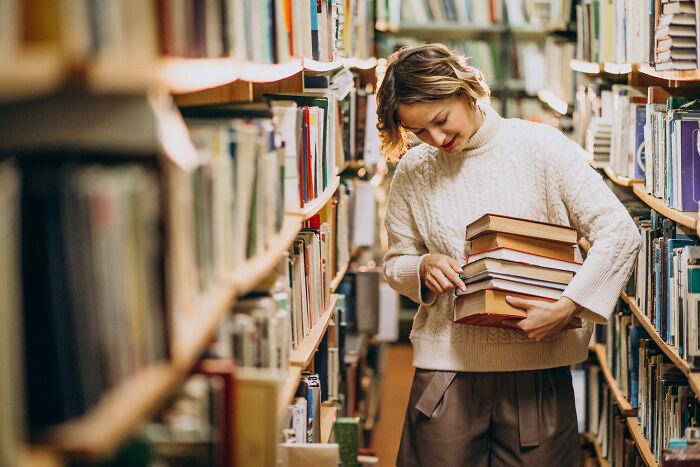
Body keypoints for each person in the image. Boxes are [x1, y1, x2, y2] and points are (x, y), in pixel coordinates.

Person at [377, 43, 641, 467]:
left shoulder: (543, 148)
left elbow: (620, 233)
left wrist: (568, 306)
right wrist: (421, 267)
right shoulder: (414, 170)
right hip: (447, 375)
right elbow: (394, 262)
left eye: (441, 120)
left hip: (537, 374)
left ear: (466, 90)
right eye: (420, 132)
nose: (437, 139)